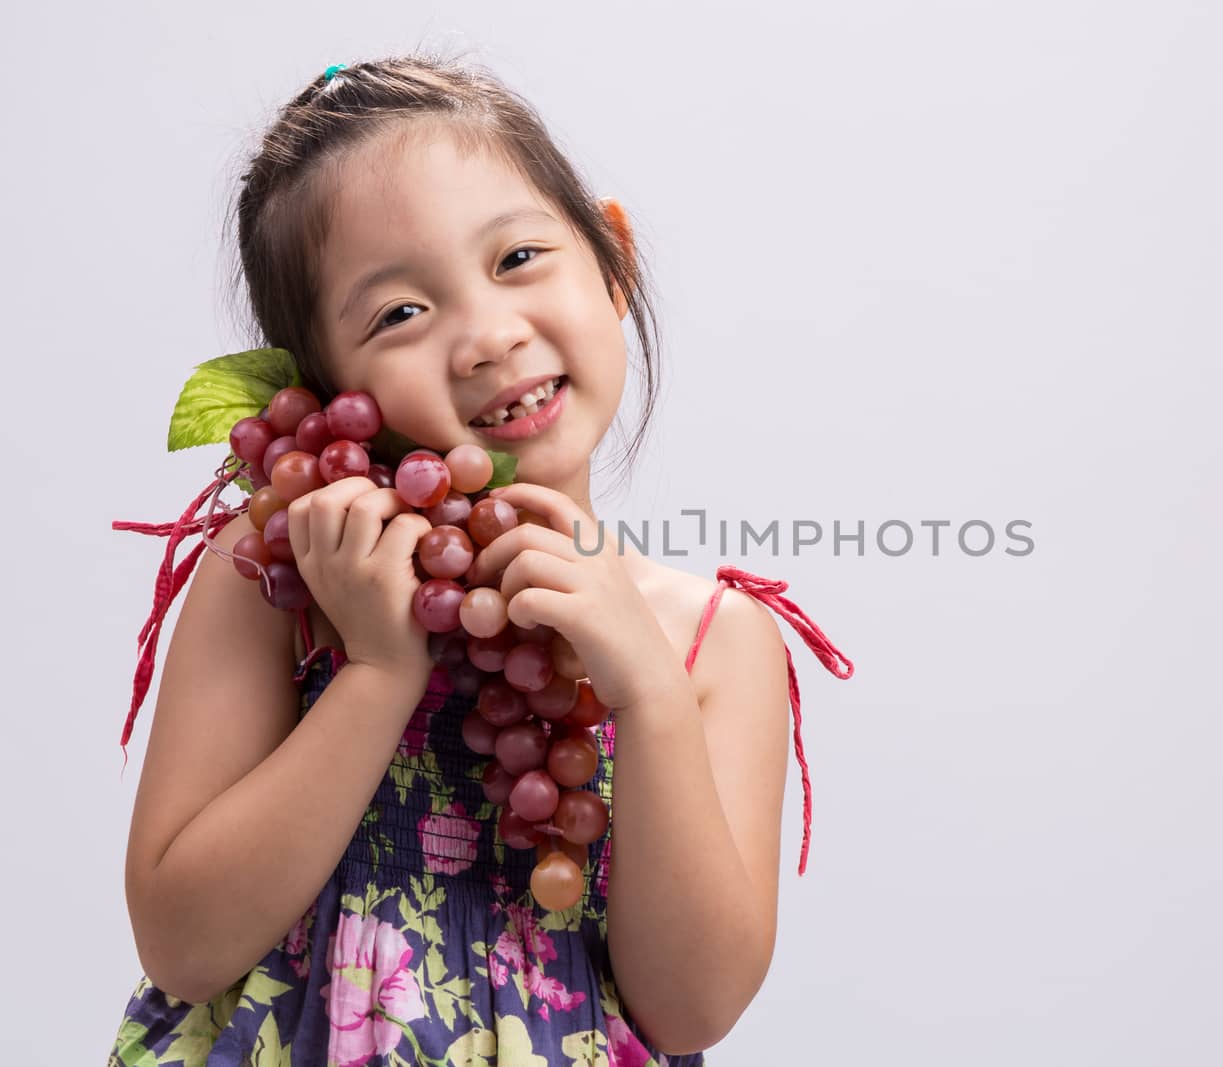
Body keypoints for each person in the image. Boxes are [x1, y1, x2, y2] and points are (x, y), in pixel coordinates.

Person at [107, 53, 853, 1066]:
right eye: (401, 313)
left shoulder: (713, 643)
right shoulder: (283, 576)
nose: (486, 338)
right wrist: (377, 669)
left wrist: (647, 692)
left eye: (516, 259)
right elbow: (185, 945)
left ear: (615, 260)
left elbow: (693, 1007)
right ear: (331, 388)